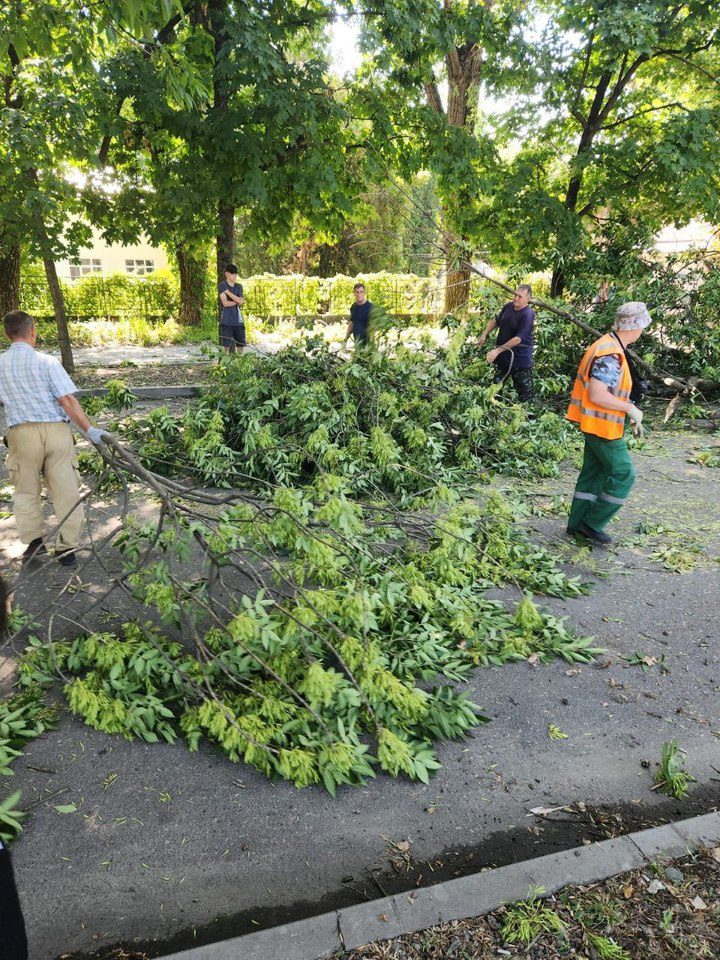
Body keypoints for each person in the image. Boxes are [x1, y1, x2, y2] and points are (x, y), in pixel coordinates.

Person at [0, 310, 108, 568]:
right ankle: (67, 549)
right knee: (66, 490)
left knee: (26, 491)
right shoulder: (47, 362)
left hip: (21, 435)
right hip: (57, 433)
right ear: (33, 331)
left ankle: (35, 542)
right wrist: (91, 430)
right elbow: (67, 400)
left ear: (6, 334)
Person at [566, 301, 651, 545]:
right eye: (642, 326)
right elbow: (598, 394)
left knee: (594, 474)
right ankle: (591, 524)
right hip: (603, 428)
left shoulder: (607, 344)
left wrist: (629, 412)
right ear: (633, 326)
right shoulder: (611, 353)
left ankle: (576, 525)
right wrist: (630, 409)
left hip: (594, 424)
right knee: (624, 474)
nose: (642, 331)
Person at [478, 284, 535, 402]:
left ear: (528, 299)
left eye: (520, 296)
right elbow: (496, 320)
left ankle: (530, 416)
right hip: (504, 356)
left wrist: (497, 350)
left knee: (525, 394)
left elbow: (518, 339)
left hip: (520, 358)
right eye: (515, 295)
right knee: (495, 387)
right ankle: (494, 411)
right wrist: (484, 334)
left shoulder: (528, 314)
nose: (516, 298)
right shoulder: (508, 306)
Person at [218, 264, 246, 355]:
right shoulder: (222, 285)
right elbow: (225, 303)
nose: (235, 276)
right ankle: (225, 367)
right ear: (227, 274)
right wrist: (237, 301)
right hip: (226, 321)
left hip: (238, 321)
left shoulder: (239, 286)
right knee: (226, 347)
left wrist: (227, 292)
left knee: (240, 346)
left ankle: (239, 367)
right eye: (232, 273)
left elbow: (241, 302)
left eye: (236, 274)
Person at [344, 282, 373, 347]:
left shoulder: (371, 307)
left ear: (364, 293)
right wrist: (345, 339)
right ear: (354, 293)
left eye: (361, 292)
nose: (359, 294)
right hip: (357, 344)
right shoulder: (353, 307)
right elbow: (352, 323)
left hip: (368, 346)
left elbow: (374, 327)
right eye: (357, 292)